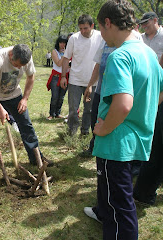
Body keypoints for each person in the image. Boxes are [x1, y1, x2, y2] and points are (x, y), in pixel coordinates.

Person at [83, 1, 163, 239]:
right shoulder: (149, 54)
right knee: (113, 194)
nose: (102, 36)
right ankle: (103, 215)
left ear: (108, 23)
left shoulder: (120, 56)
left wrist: (104, 129)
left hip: (116, 143)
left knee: (121, 203)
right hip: (137, 138)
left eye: (101, 28)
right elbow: (158, 95)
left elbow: (124, 104)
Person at [0, 44, 54, 174]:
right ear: (11, 56)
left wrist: (25, 99)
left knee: (26, 126)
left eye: (21, 66)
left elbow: (31, 76)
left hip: (14, 96)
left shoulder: (26, 57)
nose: (19, 68)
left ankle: (36, 158)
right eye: (17, 65)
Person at [133, 11, 163, 205]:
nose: (144, 27)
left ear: (156, 21)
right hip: (151, 88)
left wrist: (154, 101)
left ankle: (144, 193)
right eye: (141, 24)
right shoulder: (140, 40)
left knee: (158, 147)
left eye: (147, 24)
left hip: (157, 90)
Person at [60, 14, 102, 136]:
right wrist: (63, 76)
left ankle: (85, 132)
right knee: (73, 109)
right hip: (75, 81)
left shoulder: (100, 36)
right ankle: (71, 132)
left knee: (89, 109)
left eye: (86, 28)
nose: (83, 31)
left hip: (93, 82)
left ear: (92, 26)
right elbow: (66, 58)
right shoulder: (74, 38)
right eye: (81, 28)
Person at [46, 35, 69, 120]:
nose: (62, 44)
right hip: (56, 77)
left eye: (64, 43)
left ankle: (58, 113)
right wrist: (64, 55)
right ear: (58, 43)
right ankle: (51, 113)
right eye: (61, 42)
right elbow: (58, 63)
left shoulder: (69, 51)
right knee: (55, 96)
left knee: (61, 97)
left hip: (65, 76)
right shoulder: (54, 52)